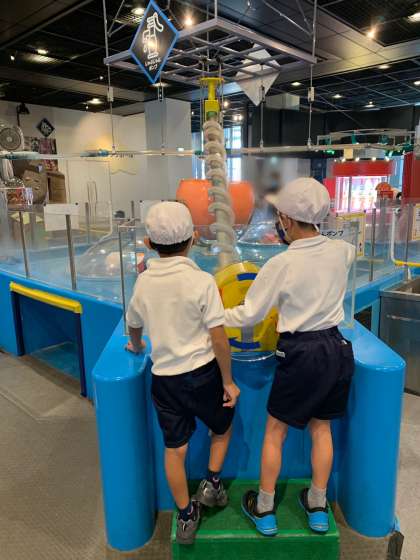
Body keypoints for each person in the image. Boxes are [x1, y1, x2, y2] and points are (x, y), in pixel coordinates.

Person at [224, 177, 355, 536]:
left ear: (286, 219)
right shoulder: (342, 251)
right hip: (336, 349)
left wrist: (213, 316)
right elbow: (342, 254)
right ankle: (317, 506)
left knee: (275, 431)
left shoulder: (281, 264)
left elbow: (249, 314)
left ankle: (265, 508)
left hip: (301, 352)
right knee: (321, 429)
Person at [125, 201, 240, 545]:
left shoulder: (143, 283)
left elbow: (134, 325)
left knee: (175, 449)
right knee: (223, 427)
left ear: (148, 243)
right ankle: (213, 484)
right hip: (204, 375)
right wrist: (228, 382)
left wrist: (137, 346)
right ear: (193, 238)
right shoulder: (202, 281)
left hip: (166, 381)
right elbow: (218, 338)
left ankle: (186, 514)